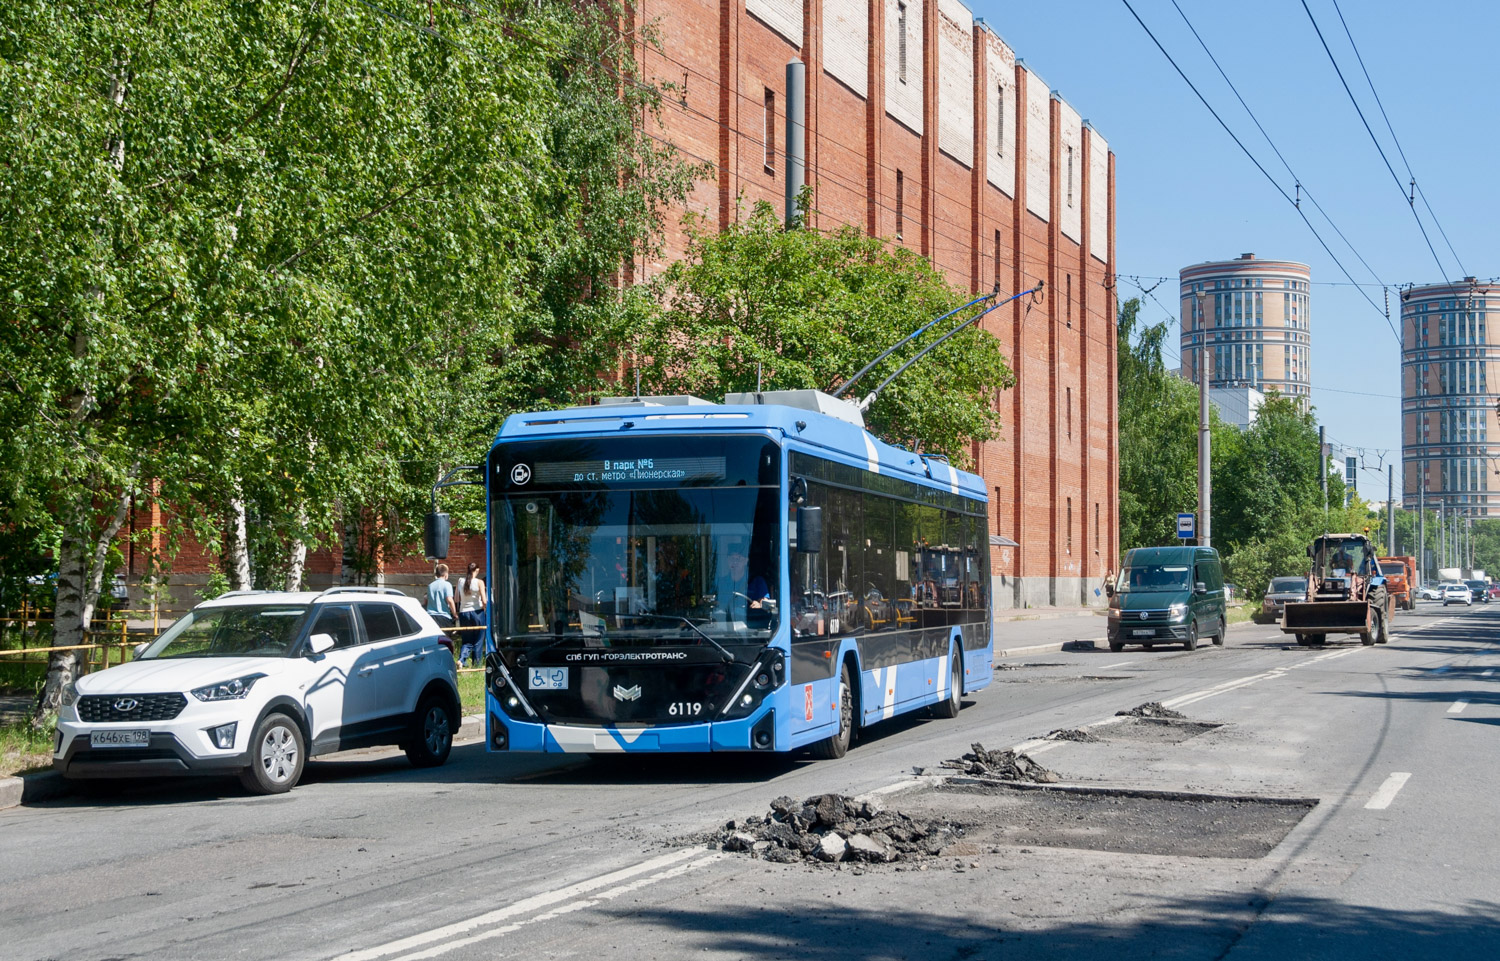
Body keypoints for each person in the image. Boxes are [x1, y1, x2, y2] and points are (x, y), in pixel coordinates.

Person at [456, 562, 488, 667]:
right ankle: (477, 664)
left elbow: (456, 599)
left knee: (467, 640)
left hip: (463, 612)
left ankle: (461, 659)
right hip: (477, 612)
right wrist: (485, 610)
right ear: (477, 570)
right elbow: (484, 600)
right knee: (478, 640)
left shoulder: (460, 581)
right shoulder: (479, 582)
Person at [426, 563, 457, 630]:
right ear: (446, 574)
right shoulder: (447, 585)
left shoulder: (430, 586)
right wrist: (454, 613)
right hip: (443, 616)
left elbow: (427, 600)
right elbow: (449, 600)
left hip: (430, 616)